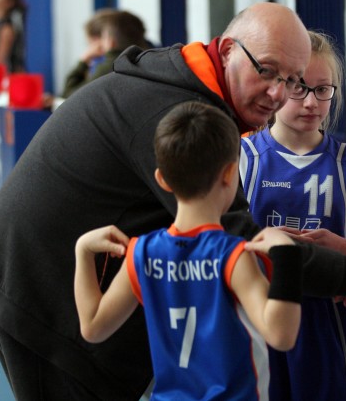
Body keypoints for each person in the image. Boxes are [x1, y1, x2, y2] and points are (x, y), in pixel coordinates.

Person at [0, 2, 346, 401]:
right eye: (266, 70)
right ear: (227, 51)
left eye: (293, 79)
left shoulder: (146, 247)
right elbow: (244, 245)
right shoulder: (182, 114)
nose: (278, 93)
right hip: (37, 287)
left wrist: (83, 252)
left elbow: (96, 322)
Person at [75, 102, 304, 400]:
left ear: (162, 179)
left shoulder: (141, 254)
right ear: (230, 174)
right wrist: (287, 255)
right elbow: (281, 335)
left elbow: (93, 327)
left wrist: (83, 252)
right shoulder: (233, 257)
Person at [240, 30, 346, 400]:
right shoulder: (245, 157)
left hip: (328, 321)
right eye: (298, 87)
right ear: (277, 87)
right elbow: (219, 241)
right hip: (260, 313)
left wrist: (342, 252)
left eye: (323, 89)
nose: (311, 101)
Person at [62, 9, 148, 99]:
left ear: (109, 41)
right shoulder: (149, 57)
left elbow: (70, 98)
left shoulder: (111, 65)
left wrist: (83, 61)